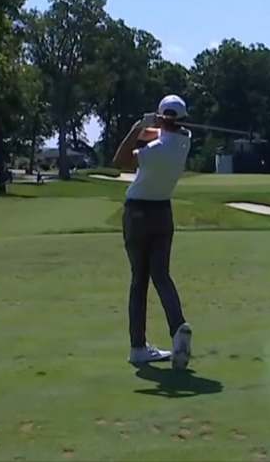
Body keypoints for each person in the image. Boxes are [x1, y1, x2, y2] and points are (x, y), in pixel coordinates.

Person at [111, 94, 195, 368]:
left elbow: (120, 160)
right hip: (163, 214)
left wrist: (138, 126)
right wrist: (158, 123)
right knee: (161, 275)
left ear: (161, 118)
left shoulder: (154, 150)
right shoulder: (185, 140)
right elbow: (166, 131)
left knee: (139, 281)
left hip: (137, 213)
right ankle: (178, 325)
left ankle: (138, 347)